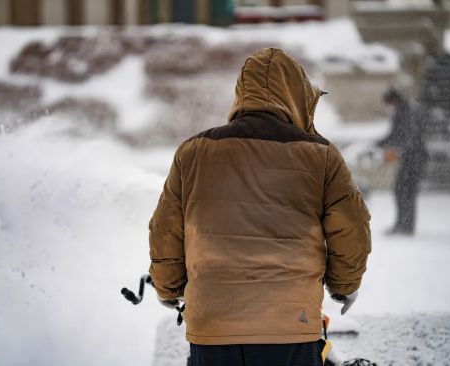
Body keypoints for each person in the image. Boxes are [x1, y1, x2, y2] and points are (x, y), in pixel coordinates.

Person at [148, 48, 372, 366]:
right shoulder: (322, 156)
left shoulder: (194, 152)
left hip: (213, 328)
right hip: (291, 327)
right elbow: (351, 230)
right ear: (299, 98)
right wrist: (344, 286)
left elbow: (165, 231)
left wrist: (168, 288)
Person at [378, 88, 428, 235]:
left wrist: (399, 149)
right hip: (407, 157)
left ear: (395, 101)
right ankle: (401, 224)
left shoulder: (410, 112)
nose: (390, 107)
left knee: (408, 192)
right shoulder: (399, 113)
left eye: (390, 104)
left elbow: (411, 136)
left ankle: (407, 227)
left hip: (416, 157)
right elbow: (394, 135)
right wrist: (378, 143)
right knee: (400, 191)